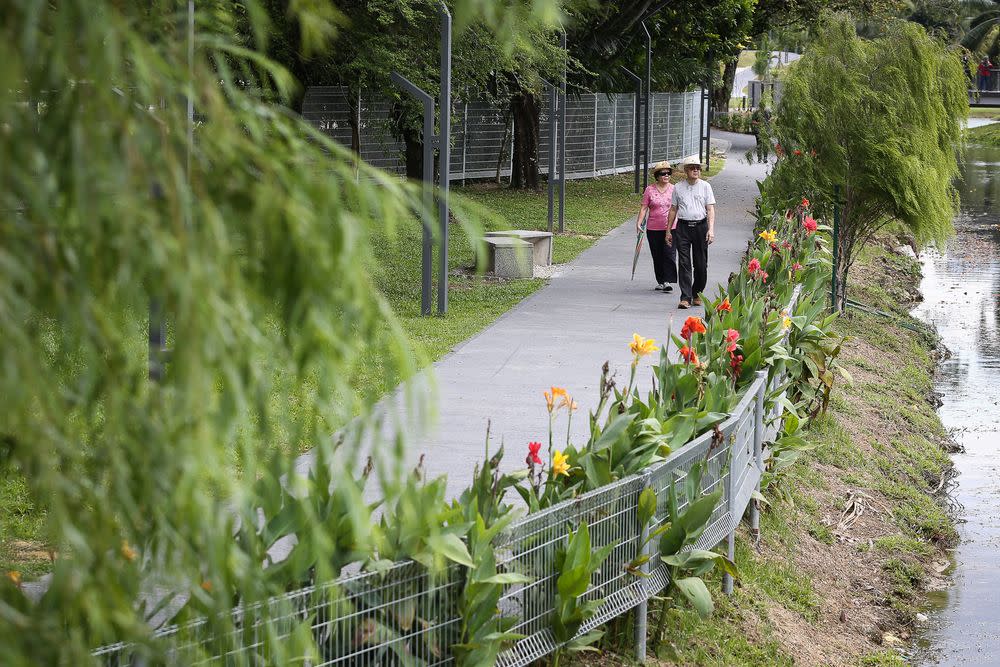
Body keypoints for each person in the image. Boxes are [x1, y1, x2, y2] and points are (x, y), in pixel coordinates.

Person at [667, 156, 716, 309]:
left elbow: (710, 209)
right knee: (684, 263)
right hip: (682, 227)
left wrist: (711, 229)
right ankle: (685, 297)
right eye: (692, 167)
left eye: (698, 168)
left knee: (701, 265)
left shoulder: (705, 186)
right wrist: (668, 230)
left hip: (701, 227)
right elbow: (673, 209)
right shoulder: (678, 187)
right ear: (686, 170)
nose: (696, 170)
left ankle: (697, 293)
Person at [636, 160, 677, 292]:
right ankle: (660, 281)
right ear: (657, 176)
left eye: (668, 173)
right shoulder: (650, 190)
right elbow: (644, 208)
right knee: (657, 254)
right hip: (653, 228)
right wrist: (639, 222)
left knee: (669, 254)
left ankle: (667, 281)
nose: (666, 175)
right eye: (663, 173)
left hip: (671, 228)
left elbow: (678, 207)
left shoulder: (674, 189)